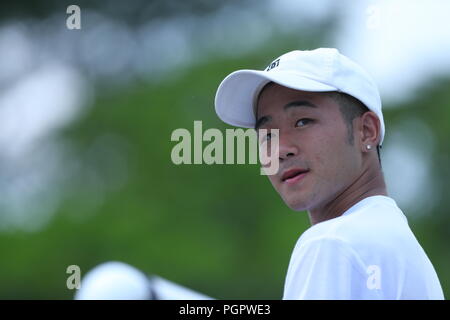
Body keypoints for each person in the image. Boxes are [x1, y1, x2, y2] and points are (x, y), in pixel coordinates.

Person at [214, 48, 444, 299]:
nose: (280, 150)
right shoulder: (395, 243)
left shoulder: (333, 242)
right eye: (267, 135)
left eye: (302, 121)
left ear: (366, 131)